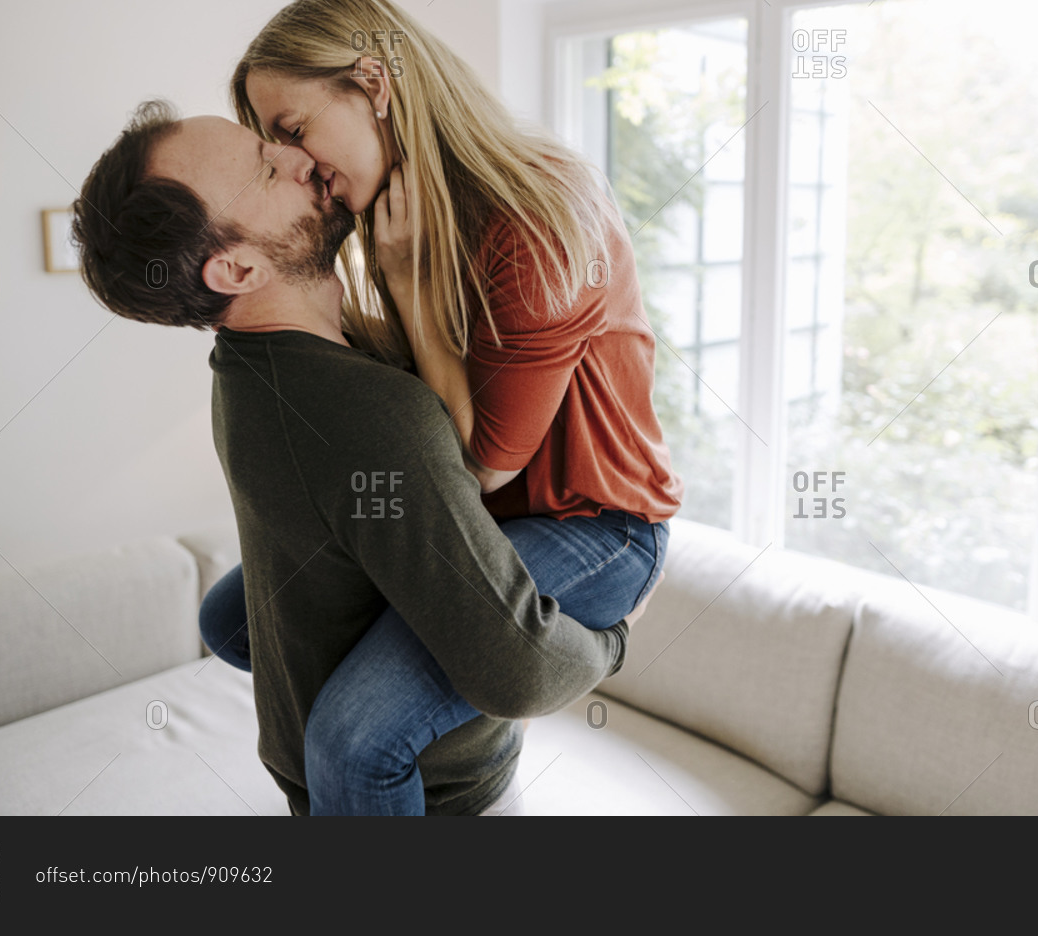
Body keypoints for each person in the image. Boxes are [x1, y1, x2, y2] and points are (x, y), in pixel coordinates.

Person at [71, 100, 657, 816]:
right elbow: (518, 673)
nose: (299, 157)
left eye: (272, 140)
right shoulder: (372, 419)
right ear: (238, 267)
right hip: (428, 801)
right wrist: (618, 637)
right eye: (266, 170)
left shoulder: (243, 369)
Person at [195, 0, 683, 813]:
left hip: (593, 526)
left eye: (295, 129)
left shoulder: (538, 223)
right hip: (484, 514)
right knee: (231, 622)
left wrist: (410, 290)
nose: (301, 165)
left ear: (375, 85)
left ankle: (517, 687)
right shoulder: (397, 208)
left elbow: (481, 467)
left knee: (353, 738)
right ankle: (473, 696)